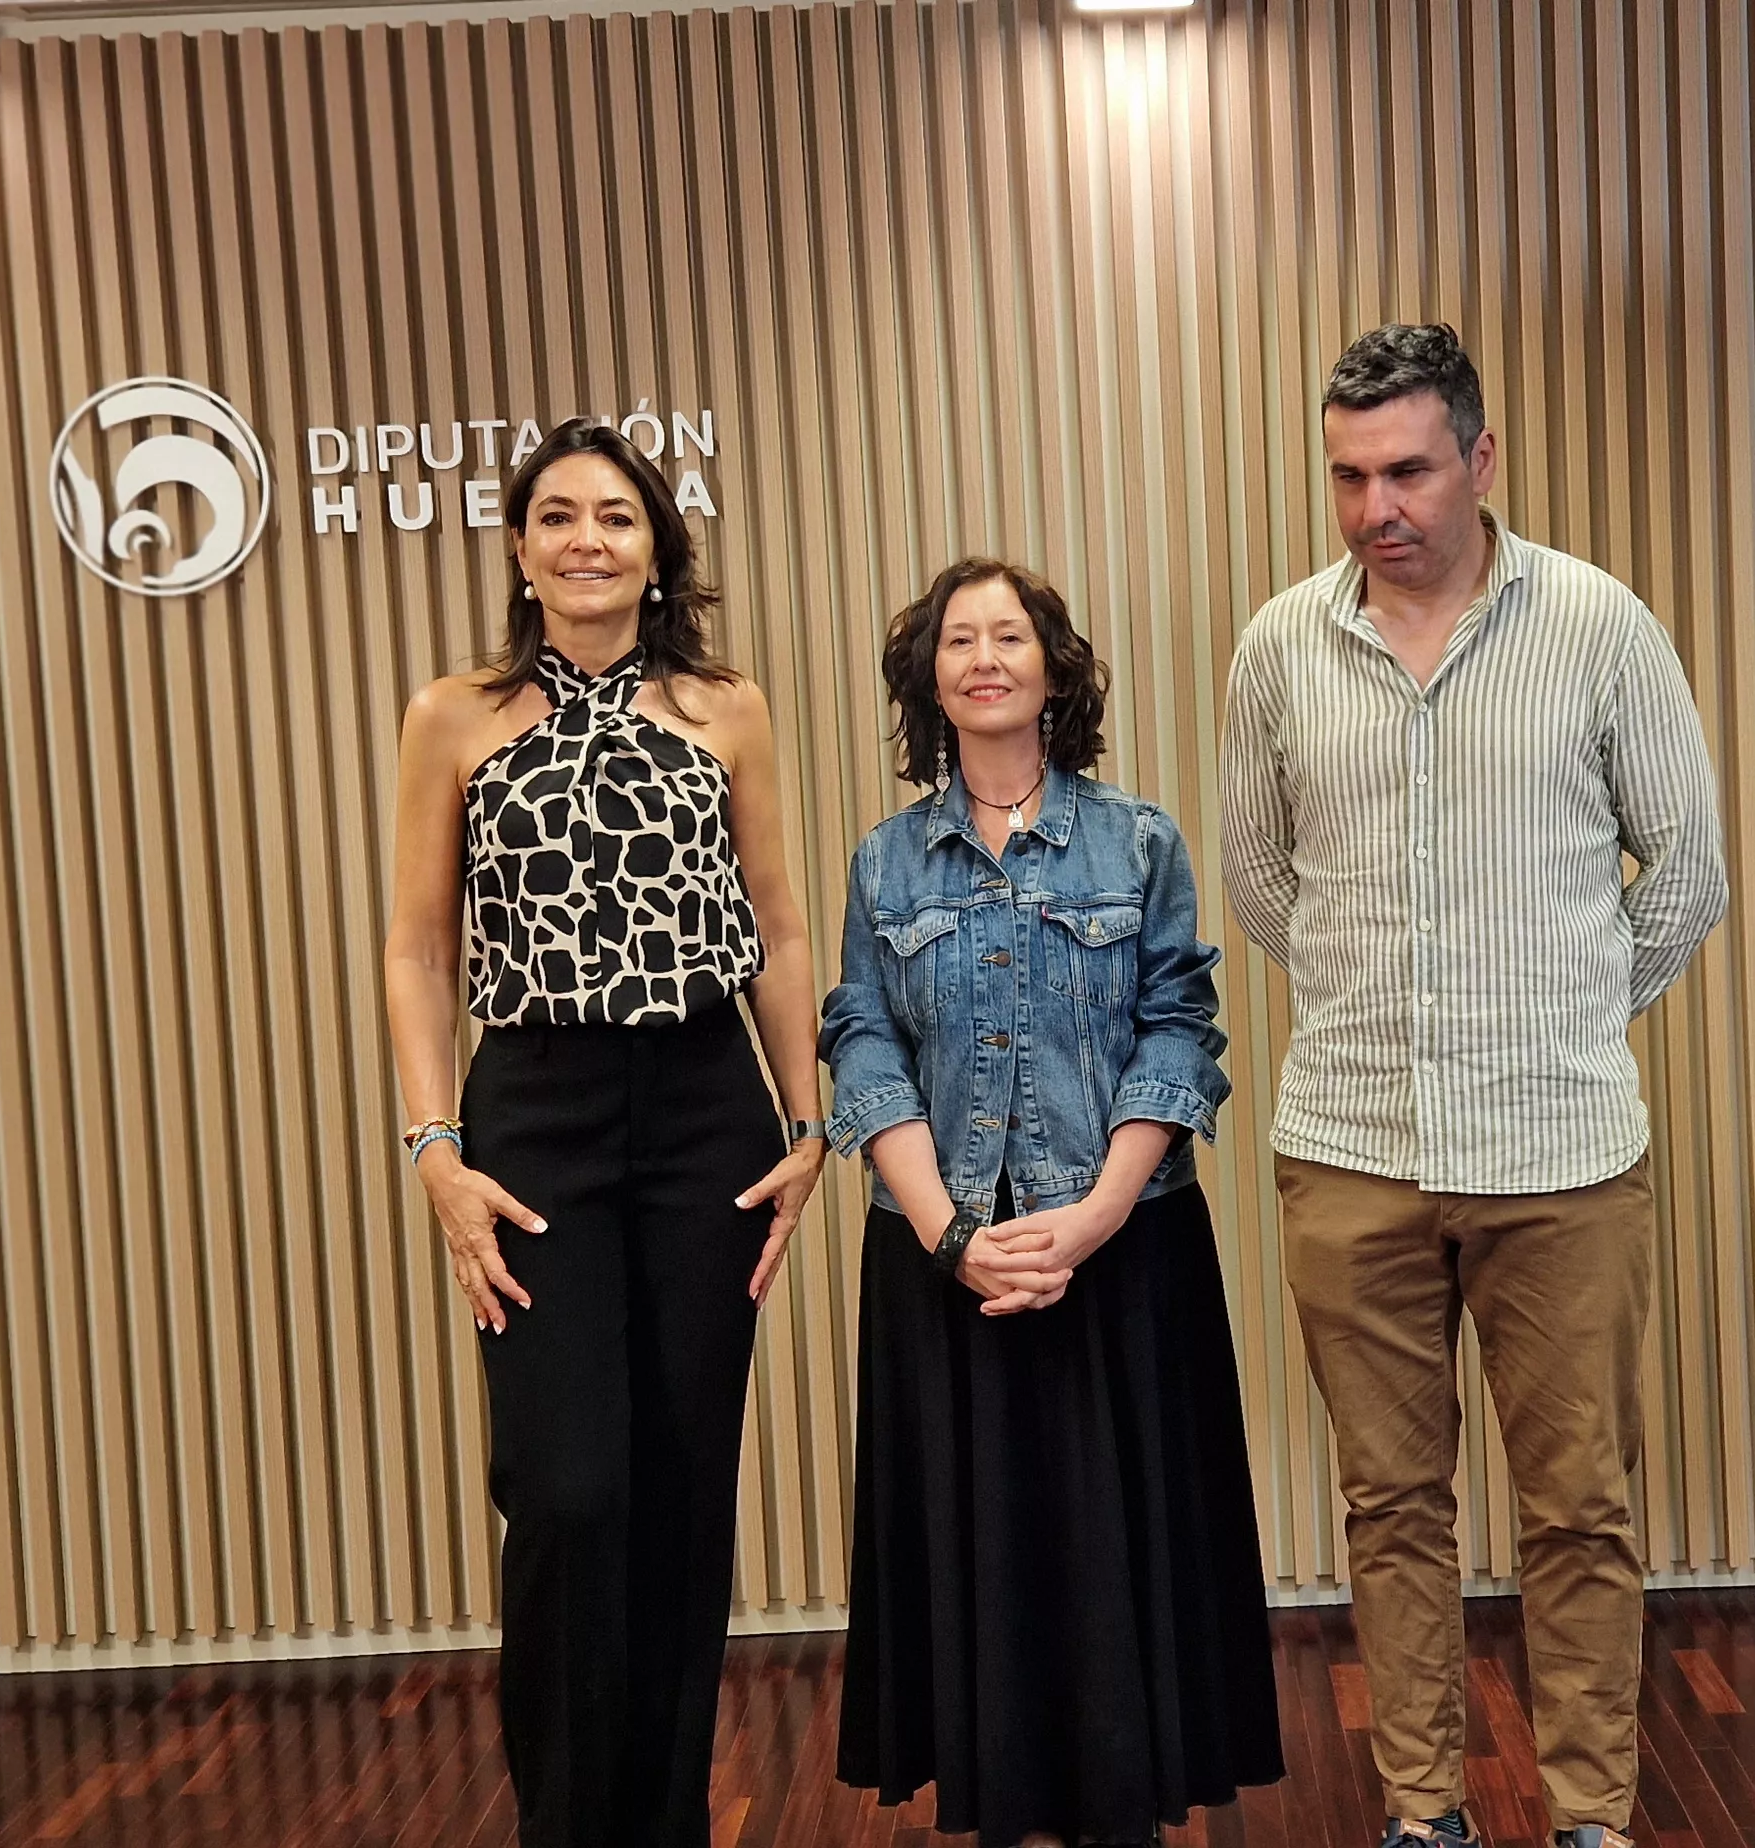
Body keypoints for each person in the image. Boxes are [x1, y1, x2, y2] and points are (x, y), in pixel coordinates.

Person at [1220, 324, 1730, 1848]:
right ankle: (1423, 1815)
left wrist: (1567, 1009)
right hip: (1352, 1149)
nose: (1381, 504)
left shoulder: (1598, 625)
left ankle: (1590, 1819)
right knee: (1393, 1511)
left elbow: (1688, 875)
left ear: (1481, 459)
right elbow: (1260, 879)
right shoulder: (1279, 648)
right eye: (1351, 475)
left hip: (1561, 1152)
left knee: (1578, 1511)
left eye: (1411, 469)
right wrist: (1381, 1005)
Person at [379, 422, 831, 1848]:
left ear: (657, 546)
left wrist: (811, 1119)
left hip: (706, 1115)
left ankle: (669, 1822)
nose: (588, 539)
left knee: (683, 1493)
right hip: (536, 1119)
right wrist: (434, 1148)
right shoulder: (452, 714)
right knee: (568, 1495)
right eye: (558, 517)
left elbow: (778, 922)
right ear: (518, 548)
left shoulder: (726, 708)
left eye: (616, 517)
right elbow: (413, 949)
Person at [823, 559, 1286, 1847]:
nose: (984, 657)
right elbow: (860, 1045)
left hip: (1121, 1253)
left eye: (1009, 635)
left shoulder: (1137, 839)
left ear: (1052, 666)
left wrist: (1088, 1222)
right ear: (930, 676)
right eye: (958, 640)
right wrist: (950, 1236)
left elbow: (1180, 1035)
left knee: (1110, 1547)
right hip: (946, 1259)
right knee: (985, 1554)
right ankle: (1003, 1798)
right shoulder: (886, 862)